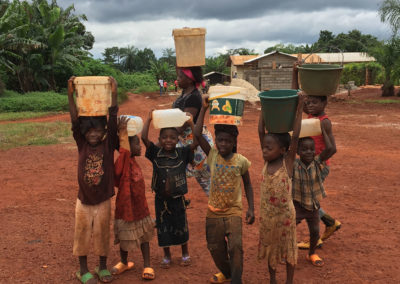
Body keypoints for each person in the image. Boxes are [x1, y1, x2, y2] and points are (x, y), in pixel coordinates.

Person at [194, 96, 255, 284]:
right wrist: (203, 108)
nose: (223, 144)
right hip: (213, 212)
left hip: (233, 212)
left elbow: (248, 184)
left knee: (236, 247)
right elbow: (196, 134)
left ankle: (236, 280)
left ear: (234, 141)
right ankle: (228, 272)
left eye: (227, 141)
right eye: (219, 140)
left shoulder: (241, 161)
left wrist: (251, 208)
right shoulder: (212, 155)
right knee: (215, 248)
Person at [67, 76, 118, 284]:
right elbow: (73, 119)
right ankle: (83, 269)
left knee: (103, 234)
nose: (93, 134)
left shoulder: (108, 144)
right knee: (82, 234)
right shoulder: (81, 144)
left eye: (97, 130)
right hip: (84, 200)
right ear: (83, 133)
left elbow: (113, 119)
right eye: (89, 131)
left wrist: (114, 93)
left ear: (104, 132)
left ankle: (102, 267)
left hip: (103, 199)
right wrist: (70, 94)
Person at [292, 62, 341, 250]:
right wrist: (295, 73)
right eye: (308, 102)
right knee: (308, 199)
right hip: (310, 164)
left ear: (324, 102)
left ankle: (317, 236)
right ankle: (329, 223)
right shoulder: (312, 114)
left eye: (314, 102)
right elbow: (296, 97)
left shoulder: (323, 121)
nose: (310, 105)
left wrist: (318, 161)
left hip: (318, 165)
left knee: (307, 200)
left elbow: (332, 148)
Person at [257, 93, 304, 284]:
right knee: (271, 250)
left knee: (289, 249)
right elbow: (261, 131)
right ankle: (273, 280)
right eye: (264, 147)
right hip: (268, 218)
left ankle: (289, 281)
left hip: (285, 218)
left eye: (269, 148)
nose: (264, 150)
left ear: (283, 150)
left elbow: (296, 135)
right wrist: (263, 106)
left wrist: (300, 106)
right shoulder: (266, 161)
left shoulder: (288, 163)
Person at [141, 110, 197, 268]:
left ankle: (185, 252)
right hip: (161, 200)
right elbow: (144, 138)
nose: (168, 140)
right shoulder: (155, 153)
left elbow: (196, 141)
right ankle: (167, 255)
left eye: (172, 137)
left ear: (178, 139)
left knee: (181, 224)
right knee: (163, 227)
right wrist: (148, 118)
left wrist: (191, 122)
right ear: (159, 139)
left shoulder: (182, 153)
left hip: (177, 199)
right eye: (164, 137)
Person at [111, 116, 155, 280]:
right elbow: (123, 149)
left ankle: (147, 265)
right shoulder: (125, 159)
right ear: (128, 146)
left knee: (145, 236)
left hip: (140, 208)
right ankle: (124, 262)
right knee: (123, 235)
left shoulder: (133, 162)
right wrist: (122, 131)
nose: (140, 146)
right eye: (137, 143)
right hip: (125, 208)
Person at [292, 123, 334, 267]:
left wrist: (323, 131)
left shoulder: (317, 162)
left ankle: (311, 253)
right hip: (297, 205)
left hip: (313, 206)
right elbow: (289, 149)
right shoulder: (293, 164)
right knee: (287, 229)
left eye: (311, 149)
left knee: (315, 232)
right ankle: (287, 251)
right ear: (297, 151)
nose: (309, 152)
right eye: (304, 149)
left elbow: (331, 149)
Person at [173, 67, 214, 196]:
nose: (177, 79)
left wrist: (166, 133)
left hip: (195, 142)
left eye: (180, 77)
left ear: (190, 80)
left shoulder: (194, 97)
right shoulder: (186, 93)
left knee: (207, 183)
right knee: (174, 178)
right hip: (185, 140)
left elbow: (183, 125)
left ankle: (221, 211)